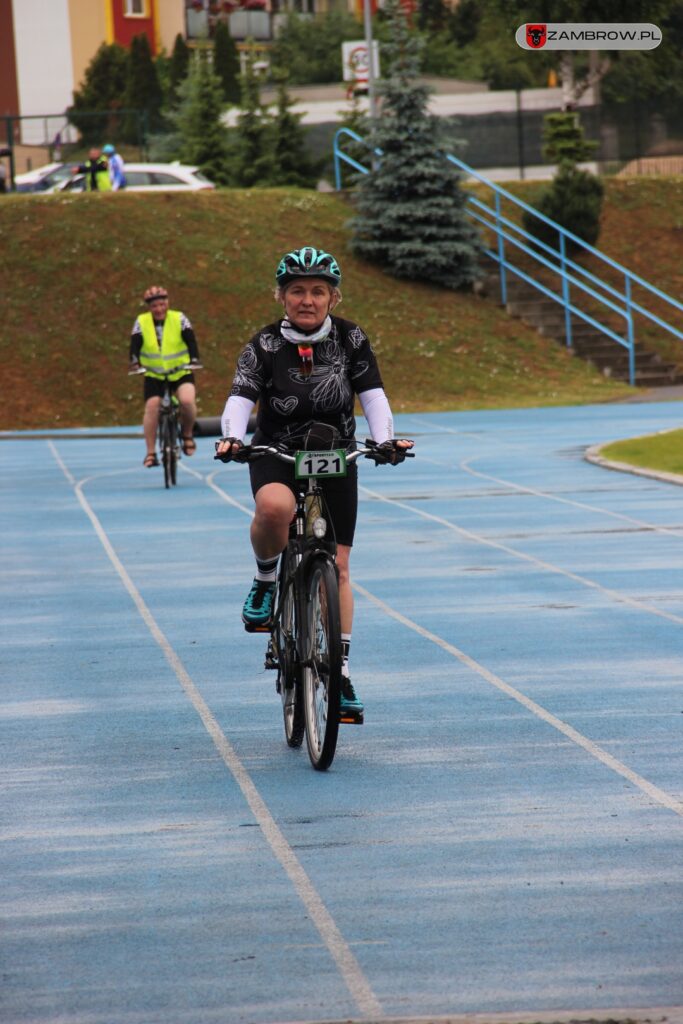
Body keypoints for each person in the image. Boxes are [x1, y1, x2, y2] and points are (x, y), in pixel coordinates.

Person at [216, 246, 414, 718]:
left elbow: (373, 395)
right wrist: (230, 438)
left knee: (340, 567)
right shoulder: (263, 344)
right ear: (281, 296)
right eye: (297, 291)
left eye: (318, 292)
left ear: (333, 297)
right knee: (275, 510)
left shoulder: (351, 339)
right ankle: (266, 581)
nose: (308, 300)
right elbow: (241, 397)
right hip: (276, 453)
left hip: (336, 455)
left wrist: (384, 440)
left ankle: (339, 674)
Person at [129, 285, 202, 467]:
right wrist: (135, 362)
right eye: (154, 306)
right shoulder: (141, 322)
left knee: (186, 401)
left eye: (162, 304)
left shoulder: (179, 318)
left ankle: (187, 435)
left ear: (167, 303)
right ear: (149, 308)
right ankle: (151, 453)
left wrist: (194, 359)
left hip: (180, 372)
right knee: (152, 406)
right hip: (155, 375)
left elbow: (191, 340)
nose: (159, 309)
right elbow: (135, 346)